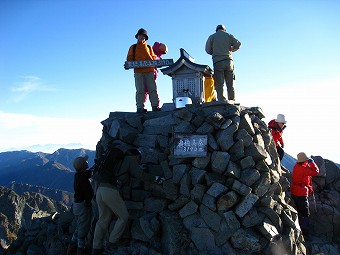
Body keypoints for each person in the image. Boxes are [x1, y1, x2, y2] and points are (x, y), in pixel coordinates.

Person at [92, 148, 165, 255]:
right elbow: (139, 174)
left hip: (100, 190)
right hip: (111, 192)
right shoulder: (130, 160)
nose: (138, 161)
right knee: (123, 216)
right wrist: (155, 178)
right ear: (136, 155)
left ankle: (96, 247)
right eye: (139, 158)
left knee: (103, 219)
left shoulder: (115, 160)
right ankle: (113, 240)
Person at [127, 28, 161, 113]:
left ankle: (155, 106)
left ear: (145, 38)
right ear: (137, 36)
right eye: (140, 35)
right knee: (140, 90)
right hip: (138, 72)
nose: (141, 37)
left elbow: (153, 58)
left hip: (149, 71)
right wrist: (130, 64)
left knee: (152, 89)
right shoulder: (133, 47)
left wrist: (156, 65)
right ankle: (140, 108)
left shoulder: (149, 47)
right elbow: (129, 58)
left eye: (143, 36)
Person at [205, 24, 241, 102]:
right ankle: (232, 100)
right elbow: (238, 44)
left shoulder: (212, 37)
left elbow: (207, 50)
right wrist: (232, 49)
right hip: (229, 62)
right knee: (230, 83)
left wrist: (215, 52)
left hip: (218, 62)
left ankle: (221, 100)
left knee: (219, 83)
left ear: (216, 30)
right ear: (224, 29)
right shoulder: (228, 35)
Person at [67, 155, 94, 255]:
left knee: (79, 227)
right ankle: (79, 251)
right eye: (85, 162)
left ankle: (69, 250)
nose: (87, 163)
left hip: (77, 205)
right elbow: (87, 192)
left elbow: (87, 173)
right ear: (82, 165)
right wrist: (89, 203)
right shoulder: (83, 178)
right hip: (83, 206)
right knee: (83, 230)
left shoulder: (78, 175)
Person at [290, 152, 319, 241]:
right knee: (304, 213)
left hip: (295, 191)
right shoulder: (303, 169)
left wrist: (309, 187)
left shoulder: (297, 167)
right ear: (304, 161)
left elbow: (305, 177)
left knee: (299, 211)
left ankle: (301, 229)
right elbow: (316, 172)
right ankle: (305, 234)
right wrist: (312, 163)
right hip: (301, 193)